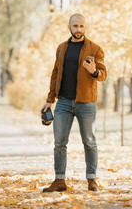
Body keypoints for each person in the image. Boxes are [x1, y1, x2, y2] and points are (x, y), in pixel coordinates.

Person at [41, 13, 107, 192]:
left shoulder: (95, 49)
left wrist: (94, 71)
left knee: (89, 142)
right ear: (69, 27)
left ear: (86, 28)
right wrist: (50, 100)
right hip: (63, 102)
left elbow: (103, 75)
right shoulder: (61, 48)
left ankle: (92, 179)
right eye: (75, 26)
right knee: (59, 142)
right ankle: (59, 181)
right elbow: (55, 73)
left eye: (82, 26)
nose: (78, 29)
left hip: (86, 103)